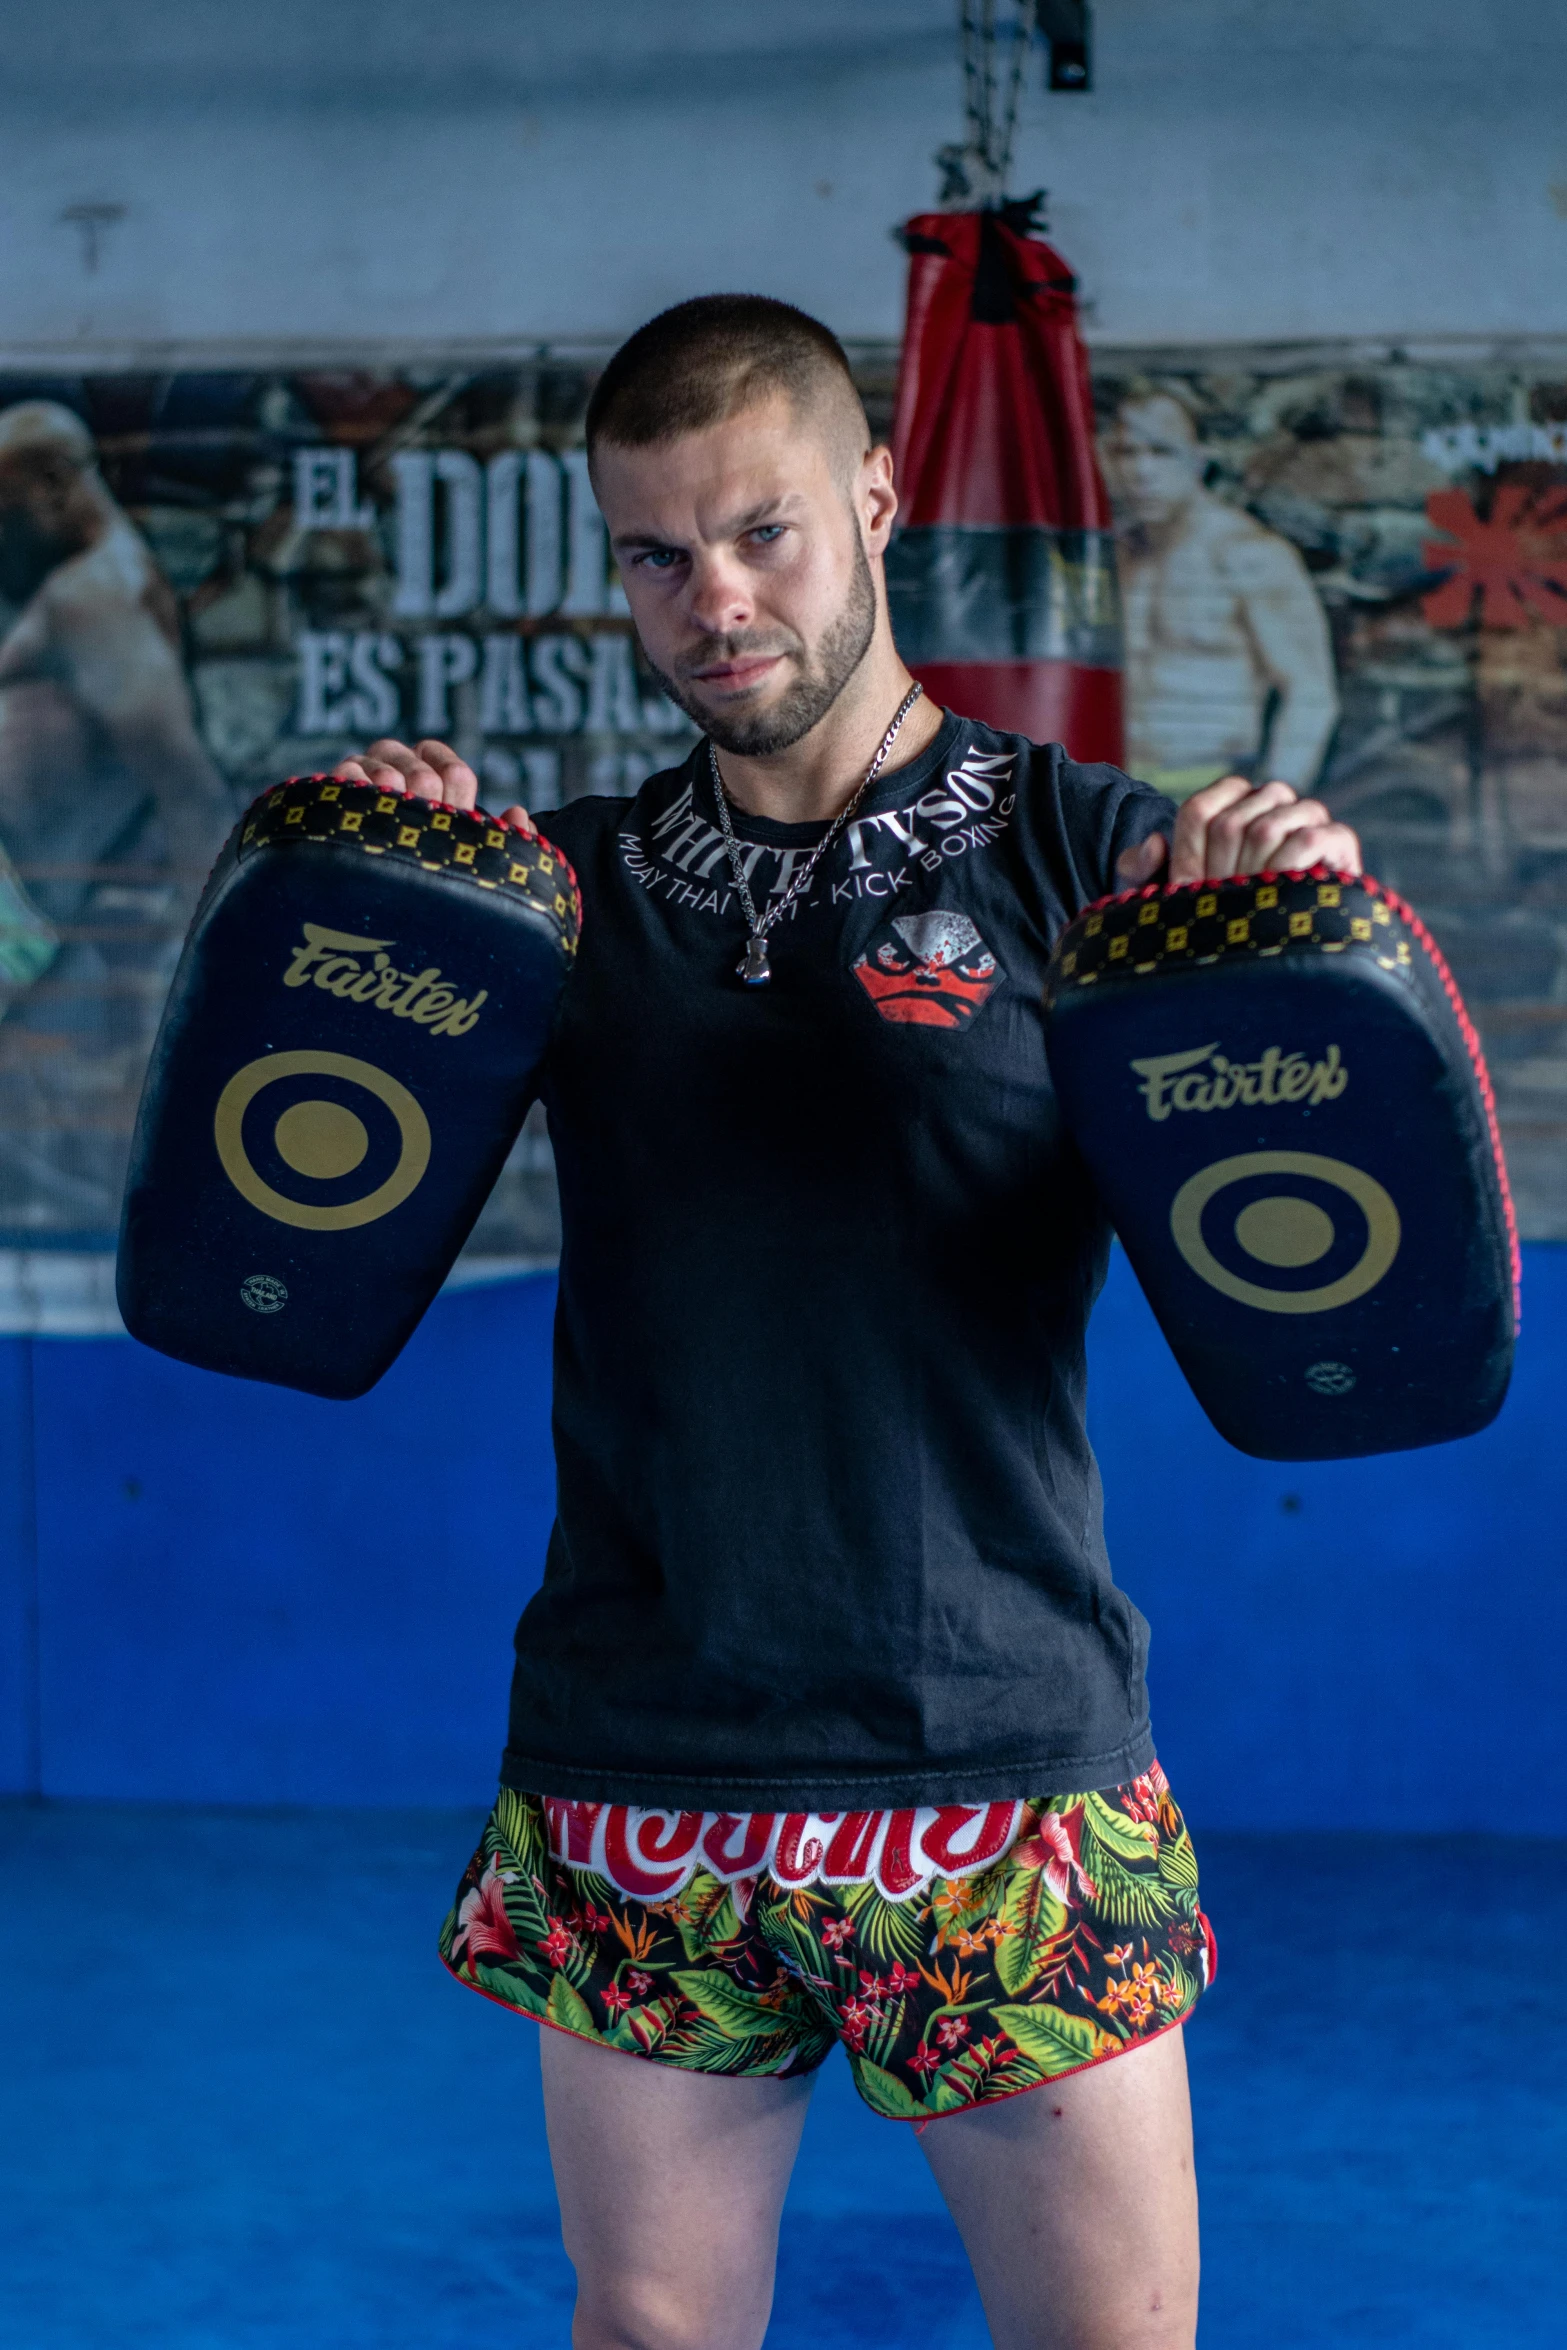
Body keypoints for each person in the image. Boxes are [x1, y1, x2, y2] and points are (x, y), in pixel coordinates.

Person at [336, 297, 1361, 2350]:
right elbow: (313, 1199)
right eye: (654, 554)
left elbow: (1315, 1250)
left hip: (1002, 1755)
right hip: (649, 1746)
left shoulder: (1099, 862)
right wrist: (369, 897)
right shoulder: (552, 893)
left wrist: (1283, 925)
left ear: (875, 498)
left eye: (762, 531)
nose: (711, 598)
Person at [0, 400, 229, 1234]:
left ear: (56, 484)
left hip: (34, 902)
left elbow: (184, 782)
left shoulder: (92, 598)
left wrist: (216, 952)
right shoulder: (95, 581)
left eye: (3, 504)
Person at [1102, 389, 1340, 805]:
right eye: (1127, 452)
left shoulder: (1249, 554)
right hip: (1109, 793)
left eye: (1161, 452)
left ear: (1198, 458)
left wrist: (1272, 802)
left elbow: (1310, 692)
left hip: (1215, 792)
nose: (1141, 471)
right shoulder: (1112, 558)